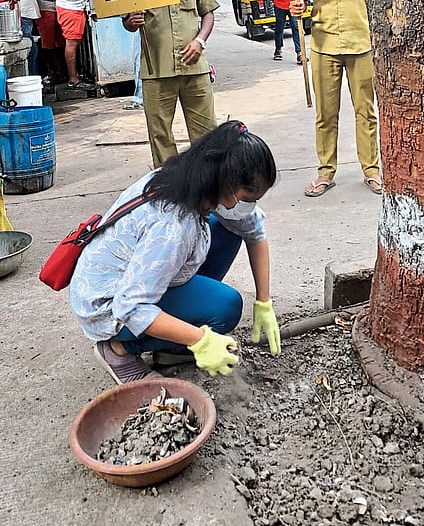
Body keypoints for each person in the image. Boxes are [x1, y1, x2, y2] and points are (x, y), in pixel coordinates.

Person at [69, 120, 281, 384]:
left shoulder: (197, 181)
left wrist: (264, 302)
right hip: (109, 303)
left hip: (142, 274)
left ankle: (170, 345)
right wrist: (200, 339)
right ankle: (119, 349)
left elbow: (254, 230)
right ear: (226, 184)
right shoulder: (174, 226)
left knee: (227, 231)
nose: (251, 206)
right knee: (225, 307)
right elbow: (130, 306)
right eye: (248, 199)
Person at [290, 0, 381, 198]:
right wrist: (296, 6)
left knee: (365, 111)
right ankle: (325, 172)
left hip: (361, 41)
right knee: (326, 114)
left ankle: (371, 170)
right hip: (323, 42)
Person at [123, 0, 218, 166]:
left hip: (194, 68)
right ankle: (169, 190)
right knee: (161, 136)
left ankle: (208, 184)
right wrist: (132, 21)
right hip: (157, 70)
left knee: (207, 133)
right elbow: (128, 23)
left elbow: (208, 14)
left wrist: (199, 41)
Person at [264, 0, 303, 64]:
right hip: (280, 3)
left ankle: (299, 53)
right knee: (280, 28)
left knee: (295, 27)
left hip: (293, 3)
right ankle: (278, 49)